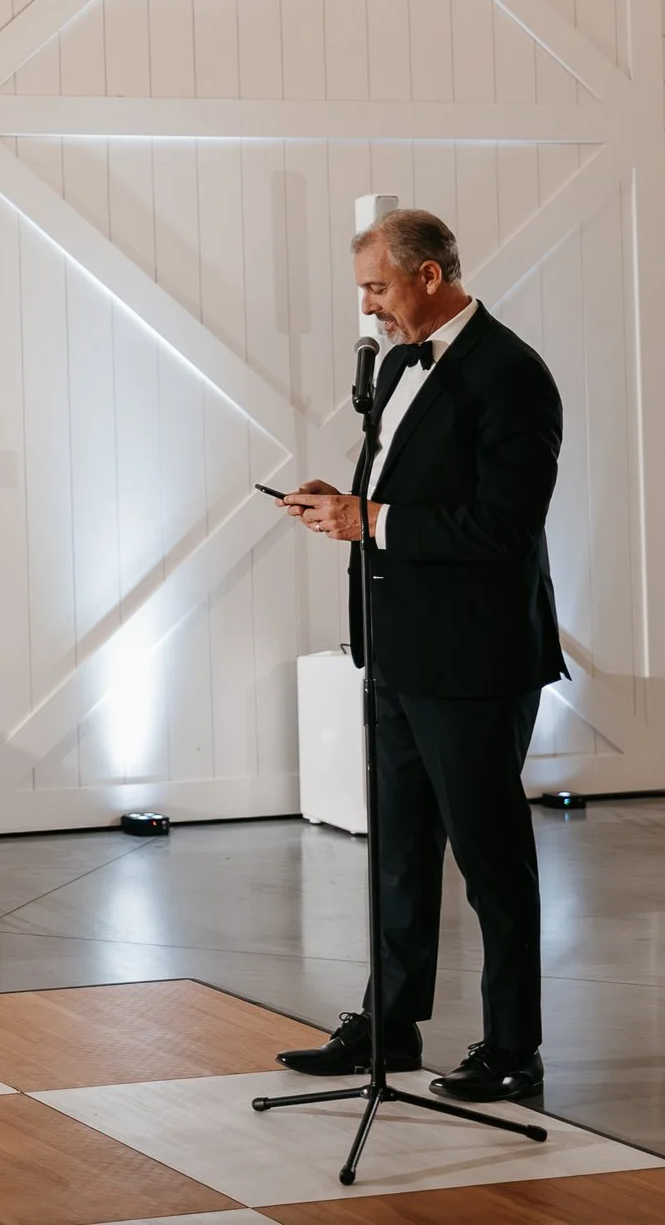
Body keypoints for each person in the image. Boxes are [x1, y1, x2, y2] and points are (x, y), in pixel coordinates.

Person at [276, 209, 565, 1104]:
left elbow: (504, 528)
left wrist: (374, 521)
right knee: (398, 850)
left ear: (431, 276)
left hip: (476, 660)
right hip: (398, 649)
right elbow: (410, 493)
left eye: (377, 287)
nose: (367, 308)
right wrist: (351, 501)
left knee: (490, 860)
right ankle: (390, 1025)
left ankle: (514, 1048)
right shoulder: (398, 363)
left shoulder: (512, 375)